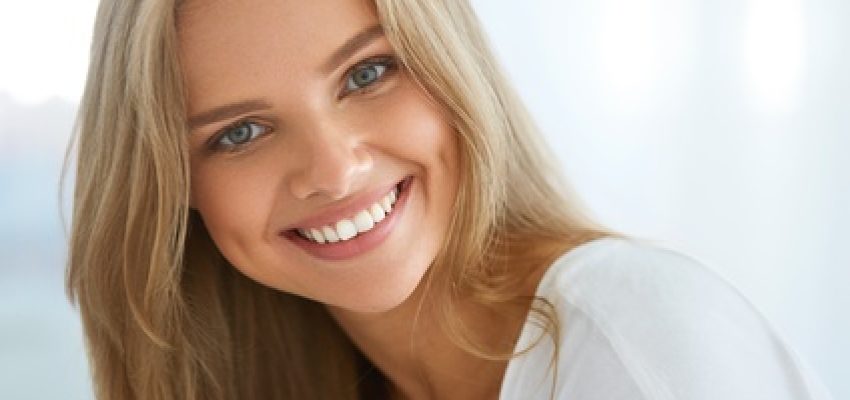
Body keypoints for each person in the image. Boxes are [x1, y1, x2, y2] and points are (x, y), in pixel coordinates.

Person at [65, 0, 834, 399]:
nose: (331, 171)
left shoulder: (634, 329)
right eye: (241, 133)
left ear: (452, 68)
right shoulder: (293, 374)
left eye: (367, 75)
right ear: (175, 191)